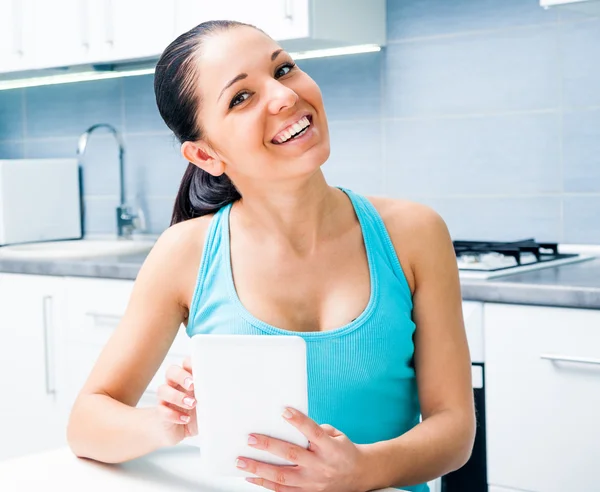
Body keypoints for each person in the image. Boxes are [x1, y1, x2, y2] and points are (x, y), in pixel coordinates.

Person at [67, 20, 475, 492]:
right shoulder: (186, 254)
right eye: (241, 98)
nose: (283, 97)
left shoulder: (414, 233)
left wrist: (364, 470)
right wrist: (171, 422)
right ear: (205, 155)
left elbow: (454, 428)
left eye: (283, 69)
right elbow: (86, 424)